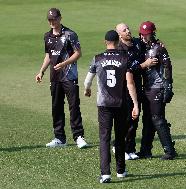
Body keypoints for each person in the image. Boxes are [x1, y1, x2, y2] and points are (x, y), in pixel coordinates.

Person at [84, 30, 139, 183]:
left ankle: (105, 173)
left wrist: (87, 90)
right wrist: (135, 104)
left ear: (105, 42)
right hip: (121, 103)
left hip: (104, 104)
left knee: (104, 138)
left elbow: (88, 80)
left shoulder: (97, 58)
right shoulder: (124, 58)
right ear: (117, 41)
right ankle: (121, 170)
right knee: (120, 137)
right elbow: (130, 83)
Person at [35, 8, 88, 148]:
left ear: (60, 18)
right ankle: (60, 138)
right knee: (56, 106)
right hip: (55, 77)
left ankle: (79, 137)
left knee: (74, 106)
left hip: (70, 76)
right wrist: (41, 71)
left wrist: (64, 63)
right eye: (50, 20)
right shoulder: (47, 36)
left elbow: (78, 53)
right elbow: (48, 55)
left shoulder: (70, 34)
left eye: (54, 19)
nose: (52, 22)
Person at [113, 23, 158, 160]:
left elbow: (149, 42)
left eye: (127, 28)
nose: (128, 31)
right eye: (124, 30)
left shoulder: (137, 43)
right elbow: (128, 69)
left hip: (138, 85)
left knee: (134, 119)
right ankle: (118, 146)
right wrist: (144, 65)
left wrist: (159, 45)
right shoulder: (120, 49)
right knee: (127, 119)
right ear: (119, 35)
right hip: (125, 87)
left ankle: (130, 148)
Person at [137, 21, 176, 160]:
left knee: (157, 119)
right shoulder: (141, 46)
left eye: (147, 34)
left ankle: (170, 151)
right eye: (142, 34)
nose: (144, 37)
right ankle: (145, 150)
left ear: (153, 34)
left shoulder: (159, 48)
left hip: (157, 88)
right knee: (148, 119)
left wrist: (168, 87)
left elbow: (167, 67)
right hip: (147, 88)